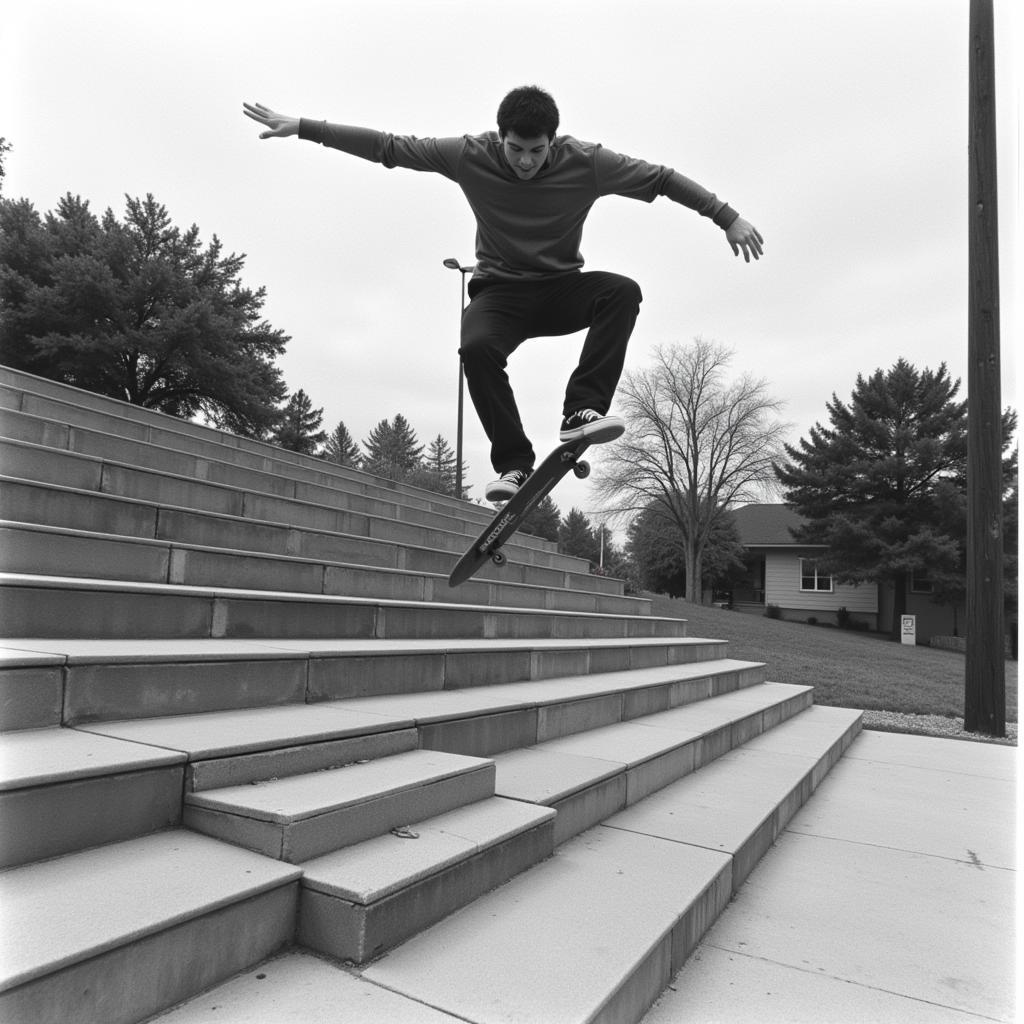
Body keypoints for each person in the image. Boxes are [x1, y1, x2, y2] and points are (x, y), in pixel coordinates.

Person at [243, 86, 763, 501]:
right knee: (476, 349)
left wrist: (726, 216)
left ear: (554, 142)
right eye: (516, 150)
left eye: (537, 152)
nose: (525, 162)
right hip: (500, 295)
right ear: (501, 137)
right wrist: (306, 129)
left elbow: (663, 178)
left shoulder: (589, 162)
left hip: (560, 289)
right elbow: (390, 148)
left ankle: (582, 411)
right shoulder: (469, 155)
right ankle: (514, 465)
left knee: (622, 292)